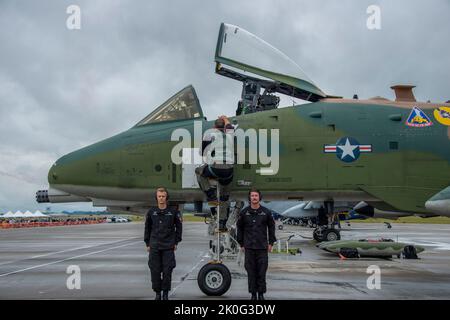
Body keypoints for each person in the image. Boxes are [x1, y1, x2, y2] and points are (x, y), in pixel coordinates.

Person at [195, 115, 235, 230]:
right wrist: (226, 119)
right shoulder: (230, 134)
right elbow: (229, 125)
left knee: (199, 172)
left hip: (215, 168)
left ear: (214, 127)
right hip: (229, 171)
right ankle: (222, 223)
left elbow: (201, 152)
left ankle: (210, 195)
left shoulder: (209, 134)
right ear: (225, 128)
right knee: (224, 197)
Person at [236, 189, 276, 300]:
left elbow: (271, 227)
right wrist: (241, 243)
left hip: (262, 247)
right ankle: (253, 294)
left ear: (259, 197)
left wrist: (271, 242)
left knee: (262, 271)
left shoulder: (266, 212)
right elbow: (239, 228)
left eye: (256, 196)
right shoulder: (244, 213)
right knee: (251, 271)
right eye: (252, 196)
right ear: (250, 198)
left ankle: (261, 294)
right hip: (249, 247)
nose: (254, 197)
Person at [144, 187, 182, 300]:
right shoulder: (151, 212)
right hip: (154, 246)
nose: (161, 198)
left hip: (168, 246)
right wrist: (147, 243)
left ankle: (165, 293)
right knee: (155, 271)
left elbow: (179, 228)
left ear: (166, 197)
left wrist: (176, 242)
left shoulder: (173, 212)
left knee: (167, 271)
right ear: (156, 198)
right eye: (159, 196)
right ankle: (157, 293)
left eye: (163, 196)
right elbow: (147, 228)